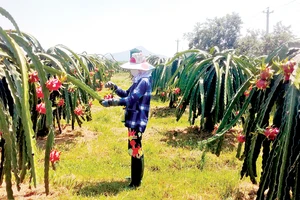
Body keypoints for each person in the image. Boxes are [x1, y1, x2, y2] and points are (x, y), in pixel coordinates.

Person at [101, 51, 154, 188]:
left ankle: (135, 183)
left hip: (137, 120)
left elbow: (131, 99)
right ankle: (135, 176)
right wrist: (115, 87)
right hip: (133, 119)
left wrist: (113, 102)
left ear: (140, 68)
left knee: (136, 149)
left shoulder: (143, 81)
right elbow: (127, 94)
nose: (131, 71)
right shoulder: (139, 81)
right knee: (134, 148)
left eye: (132, 68)